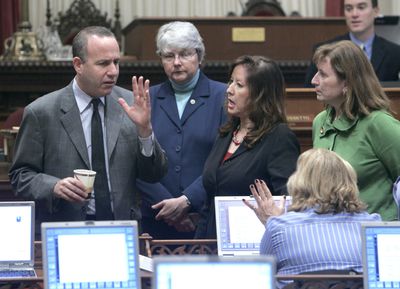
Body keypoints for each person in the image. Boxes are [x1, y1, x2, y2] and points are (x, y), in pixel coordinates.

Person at [9, 26, 168, 238]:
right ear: (78, 65)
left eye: (116, 62)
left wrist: (145, 131)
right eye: (103, 63)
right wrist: (53, 186)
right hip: (65, 231)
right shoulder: (42, 112)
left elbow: (154, 174)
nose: (113, 71)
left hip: (122, 231)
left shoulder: (130, 104)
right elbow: (20, 176)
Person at [136, 21, 227, 239]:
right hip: (156, 220)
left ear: (199, 56)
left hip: (205, 219)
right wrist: (170, 211)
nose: (176, 62)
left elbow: (226, 159)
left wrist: (188, 202)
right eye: (169, 56)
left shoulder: (224, 97)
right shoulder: (147, 99)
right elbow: (134, 160)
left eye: (185, 54)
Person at [195, 55, 300, 239]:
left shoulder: (279, 137)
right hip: (212, 245)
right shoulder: (227, 133)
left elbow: (287, 203)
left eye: (239, 85)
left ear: (260, 94)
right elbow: (210, 200)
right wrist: (197, 247)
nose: (229, 90)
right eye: (230, 82)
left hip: (255, 249)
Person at [245, 148, 381, 288]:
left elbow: (261, 279)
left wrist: (273, 222)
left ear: (299, 182)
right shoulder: (373, 226)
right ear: (350, 181)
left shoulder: (278, 229)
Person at [311, 40, 400, 220]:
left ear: (347, 83)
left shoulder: (379, 124)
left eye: (322, 74)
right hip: (328, 233)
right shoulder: (320, 121)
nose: (314, 80)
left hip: (372, 236)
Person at [304, 0, 400, 87]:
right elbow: (308, 94)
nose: (354, 14)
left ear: (375, 11)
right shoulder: (325, 51)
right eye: (348, 8)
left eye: (361, 7)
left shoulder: (395, 53)